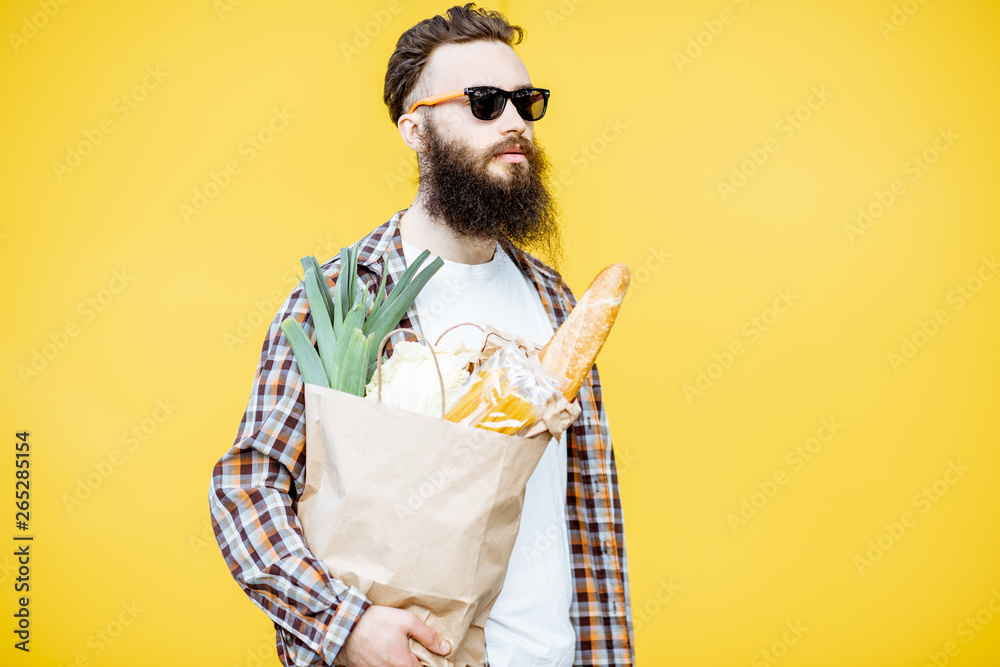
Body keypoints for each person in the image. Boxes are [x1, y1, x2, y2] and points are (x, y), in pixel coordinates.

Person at [208, 4, 633, 666]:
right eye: (485, 102)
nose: (516, 121)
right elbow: (248, 485)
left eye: (526, 102)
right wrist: (342, 622)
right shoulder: (344, 300)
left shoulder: (557, 303)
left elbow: (583, 520)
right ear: (415, 128)